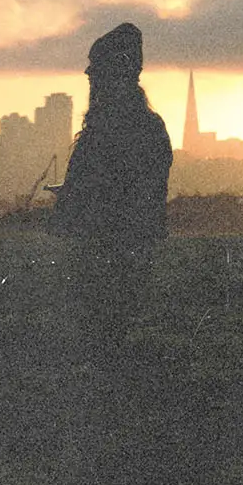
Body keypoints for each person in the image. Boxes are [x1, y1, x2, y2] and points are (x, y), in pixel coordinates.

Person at [51, 23, 173, 362]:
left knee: (100, 328)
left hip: (107, 243)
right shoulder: (149, 125)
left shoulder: (107, 127)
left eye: (95, 65)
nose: (88, 72)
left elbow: (108, 187)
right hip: (129, 241)